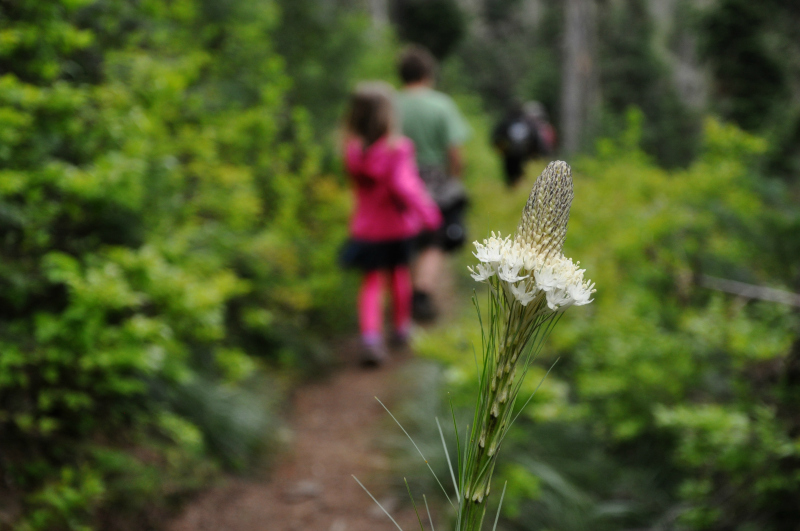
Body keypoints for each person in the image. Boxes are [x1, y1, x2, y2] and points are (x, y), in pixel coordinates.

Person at [340, 81, 443, 366]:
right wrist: (429, 214)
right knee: (399, 277)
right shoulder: (398, 149)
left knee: (371, 283)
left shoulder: (353, 150)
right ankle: (401, 328)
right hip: (396, 228)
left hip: (366, 228)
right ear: (388, 115)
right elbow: (405, 186)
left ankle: (370, 338)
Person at [395, 45, 470, 323]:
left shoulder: (391, 104)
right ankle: (422, 292)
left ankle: (402, 301)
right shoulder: (442, 105)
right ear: (428, 74)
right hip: (435, 181)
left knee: (405, 238)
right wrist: (453, 179)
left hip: (397, 179)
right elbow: (455, 152)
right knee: (435, 239)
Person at [492, 101, 556, 187]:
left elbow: (495, 138)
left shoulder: (505, 122)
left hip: (509, 156)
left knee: (510, 179)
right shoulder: (528, 123)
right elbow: (537, 140)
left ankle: (513, 193)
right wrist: (539, 154)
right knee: (525, 178)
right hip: (526, 157)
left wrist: (502, 151)